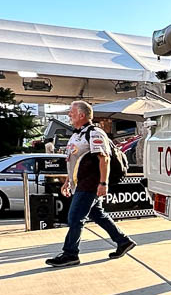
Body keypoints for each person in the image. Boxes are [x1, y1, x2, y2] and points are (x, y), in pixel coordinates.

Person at [44, 101, 135, 267]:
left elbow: (104, 158)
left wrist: (103, 183)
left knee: (75, 218)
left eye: (71, 112)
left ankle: (70, 254)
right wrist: (68, 181)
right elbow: (73, 161)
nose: (69, 115)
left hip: (90, 184)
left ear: (82, 115)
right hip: (81, 184)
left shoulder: (95, 133)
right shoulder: (76, 135)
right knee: (97, 214)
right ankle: (123, 241)